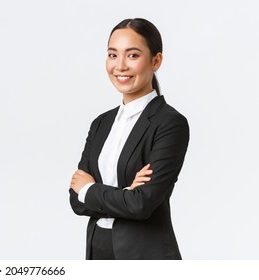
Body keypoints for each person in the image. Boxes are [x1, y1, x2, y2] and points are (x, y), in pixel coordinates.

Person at [68, 18, 189, 260]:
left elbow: (141, 204)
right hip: (98, 250)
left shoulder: (169, 123)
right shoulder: (101, 123)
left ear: (156, 60)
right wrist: (124, 193)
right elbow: (76, 200)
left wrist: (90, 190)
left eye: (132, 55)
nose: (120, 66)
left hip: (144, 255)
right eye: (113, 55)